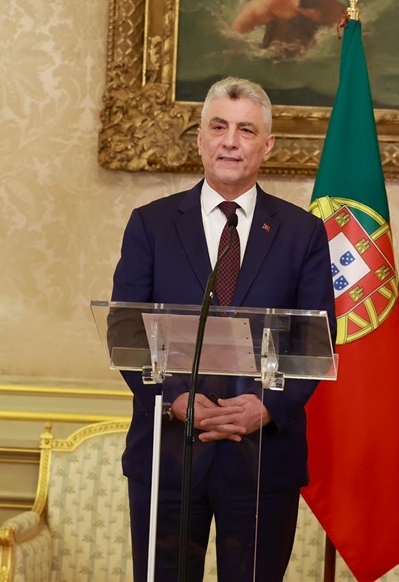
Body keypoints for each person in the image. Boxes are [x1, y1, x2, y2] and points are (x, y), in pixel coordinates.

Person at [110, 77, 336, 581]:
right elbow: (126, 330)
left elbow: (314, 341)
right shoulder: (151, 224)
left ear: (267, 145)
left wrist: (267, 406)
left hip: (262, 458)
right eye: (218, 127)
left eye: (246, 130)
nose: (230, 142)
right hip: (168, 454)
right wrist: (174, 398)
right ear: (200, 139)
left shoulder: (302, 233)